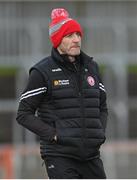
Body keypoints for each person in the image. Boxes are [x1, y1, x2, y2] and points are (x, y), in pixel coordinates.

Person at [16, 8, 108, 179]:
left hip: (92, 156)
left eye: (78, 35)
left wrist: (99, 133)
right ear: (57, 40)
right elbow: (23, 114)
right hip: (60, 157)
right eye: (69, 36)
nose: (76, 40)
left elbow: (102, 107)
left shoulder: (92, 68)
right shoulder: (42, 71)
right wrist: (55, 135)